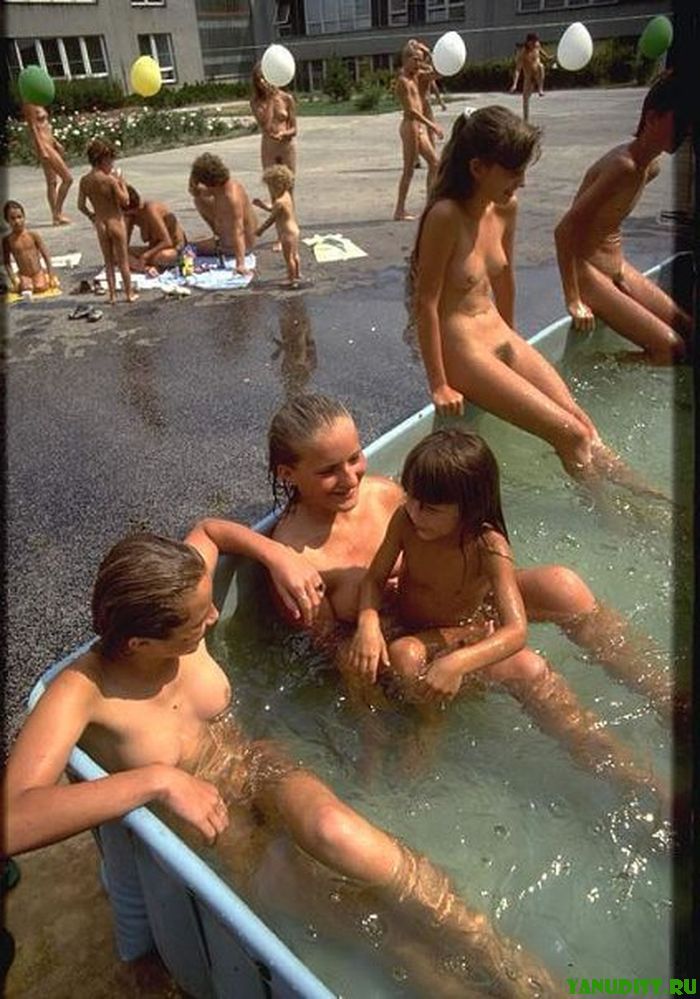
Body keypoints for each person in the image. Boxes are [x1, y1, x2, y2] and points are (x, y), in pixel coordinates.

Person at [4, 532, 558, 999]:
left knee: (341, 833)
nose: (214, 616)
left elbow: (212, 530)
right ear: (140, 643)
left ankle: (504, 959)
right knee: (391, 941)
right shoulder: (81, 692)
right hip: (230, 837)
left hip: (260, 766)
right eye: (198, 620)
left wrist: (278, 556)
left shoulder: (177, 593)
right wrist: (157, 780)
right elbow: (13, 820)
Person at [188, 393, 673, 723]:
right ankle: (625, 773)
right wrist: (458, 645)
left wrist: (482, 614)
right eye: (329, 470)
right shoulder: (295, 561)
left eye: (355, 457)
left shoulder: (385, 495)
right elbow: (340, 658)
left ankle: (667, 697)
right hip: (409, 651)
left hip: (456, 605)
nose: (351, 477)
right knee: (527, 668)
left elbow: (456, 536)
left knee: (562, 586)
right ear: (287, 474)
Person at [345, 427, 663, 800]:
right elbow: (374, 579)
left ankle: (636, 771)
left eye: (429, 508)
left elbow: (515, 631)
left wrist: (459, 662)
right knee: (405, 653)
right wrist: (368, 623)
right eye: (411, 498)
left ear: (470, 509)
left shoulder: (489, 546)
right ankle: (430, 723)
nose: (414, 511)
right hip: (418, 634)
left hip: (462, 634)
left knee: (537, 654)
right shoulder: (406, 521)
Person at [411, 106, 660, 491]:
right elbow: (425, 302)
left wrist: (514, 338)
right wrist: (439, 384)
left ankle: (649, 499)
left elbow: (505, 278)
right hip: (464, 350)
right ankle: (614, 518)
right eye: (514, 171)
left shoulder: (505, 207)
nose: (523, 181)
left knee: (581, 422)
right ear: (478, 168)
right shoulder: (445, 216)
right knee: (569, 435)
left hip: (498, 333)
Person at [554, 72, 692, 364]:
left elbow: (607, 221)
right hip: (588, 273)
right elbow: (564, 229)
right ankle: (593, 363)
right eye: (679, 121)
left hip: (617, 268)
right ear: (652, 117)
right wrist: (573, 298)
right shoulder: (623, 166)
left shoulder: (650, 167)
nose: (685, 130)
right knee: (671, 349)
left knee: (687, 328)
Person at [77, 138, 137, 305]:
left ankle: (112, 296)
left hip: (100, 222)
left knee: (108, 261)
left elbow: (80, 205)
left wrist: (92, 216)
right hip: (115, 221)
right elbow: (125, 200)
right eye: (110, 160)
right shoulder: (109, 180)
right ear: (102, 159)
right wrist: (121, 182)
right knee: (123, 260)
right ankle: (129, 293)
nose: (112, 164)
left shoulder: (85, 181)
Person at [393, 43, 444, 221]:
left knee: (435, 163)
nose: (419, 64)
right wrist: (432, 125)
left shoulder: (418, 76)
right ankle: (399, 210)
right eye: (415, 60)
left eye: (420, 60)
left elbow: (439, 73)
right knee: (409, 170)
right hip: (410, 127)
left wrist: (430, 53)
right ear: (405, 59)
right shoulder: (403, 82)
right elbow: (411, 111)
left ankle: (430, 204)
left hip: (419, 127)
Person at [188, 152, 257, 277]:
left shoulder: (231, 198)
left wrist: (240, 264)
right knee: (199, 198)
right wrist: (195, 183)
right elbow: (194, 190)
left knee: (188, 249)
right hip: (230, 237)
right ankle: (218, 239)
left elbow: (239, 230)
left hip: (242, 243)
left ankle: (222, 244)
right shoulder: (222, 187)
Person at [21, 102, 73, 225]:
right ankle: (57, 212)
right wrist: (42, 149)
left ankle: (56, 216)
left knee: (52, 182)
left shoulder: (39, 101)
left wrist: (55, 141)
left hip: (49, 142)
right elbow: (33, 128)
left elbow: (45, 126)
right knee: (67, 179)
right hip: (44, 144)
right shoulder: (29, 105)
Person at [254, 165, 301, 287]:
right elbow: (275, 210)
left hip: (286, 233)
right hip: (294, 230)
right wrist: (262, 205)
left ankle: (292, 280)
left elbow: (272, 218)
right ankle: (297, 274)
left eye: (271, 187)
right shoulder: (286, 196)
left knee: (288, 258)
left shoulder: (279, 201)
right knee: (295, 255)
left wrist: (260, 230)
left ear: (278, 185)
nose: (270, 190)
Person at [124, 186, 186, 273]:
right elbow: (123, 245)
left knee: (163, 256)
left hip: (174, 249)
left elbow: (167, 242)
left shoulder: (150, 209)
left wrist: (146, 256)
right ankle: (145, 268)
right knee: (119, 253)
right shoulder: (131, 216)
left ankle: (140, 266)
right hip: (154, 250)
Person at [250, 62, 298, 175]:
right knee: (271, 181)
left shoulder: (287, 98)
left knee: (288, 180)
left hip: (286, 146)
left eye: (264, 77)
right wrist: (270, 100)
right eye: (258, 79)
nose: (262, 82)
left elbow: (294, 129)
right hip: (269, 147)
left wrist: (284, 134)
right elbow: (266, 126)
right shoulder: (256, 102)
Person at [2, 200, 58, 294]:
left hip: (37, 271)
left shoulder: (33, 235)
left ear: (24, 217)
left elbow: (46, 255)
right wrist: (13, 278)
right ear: (7, 220)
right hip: (24, 274)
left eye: (19, 217)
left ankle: (44, 276)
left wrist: (51, 274)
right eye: (13, 218)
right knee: (26, 288)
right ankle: (23, 281)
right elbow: (7, 263)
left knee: (40, 287)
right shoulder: (8, 240)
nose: (17, 221)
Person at [509, 34, 552, 123]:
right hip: (528, 77)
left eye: (536, 42)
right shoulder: (523, 53)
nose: (534, 45)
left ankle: (540, 88)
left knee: (541, 66)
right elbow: (518, 69)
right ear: (528, 42)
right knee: (525, 99)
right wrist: (514, 84)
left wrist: (548, 57)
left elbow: (541, 51)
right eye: (532, 43)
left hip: (537, 74)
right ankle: (526, 120)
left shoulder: (537, 46)